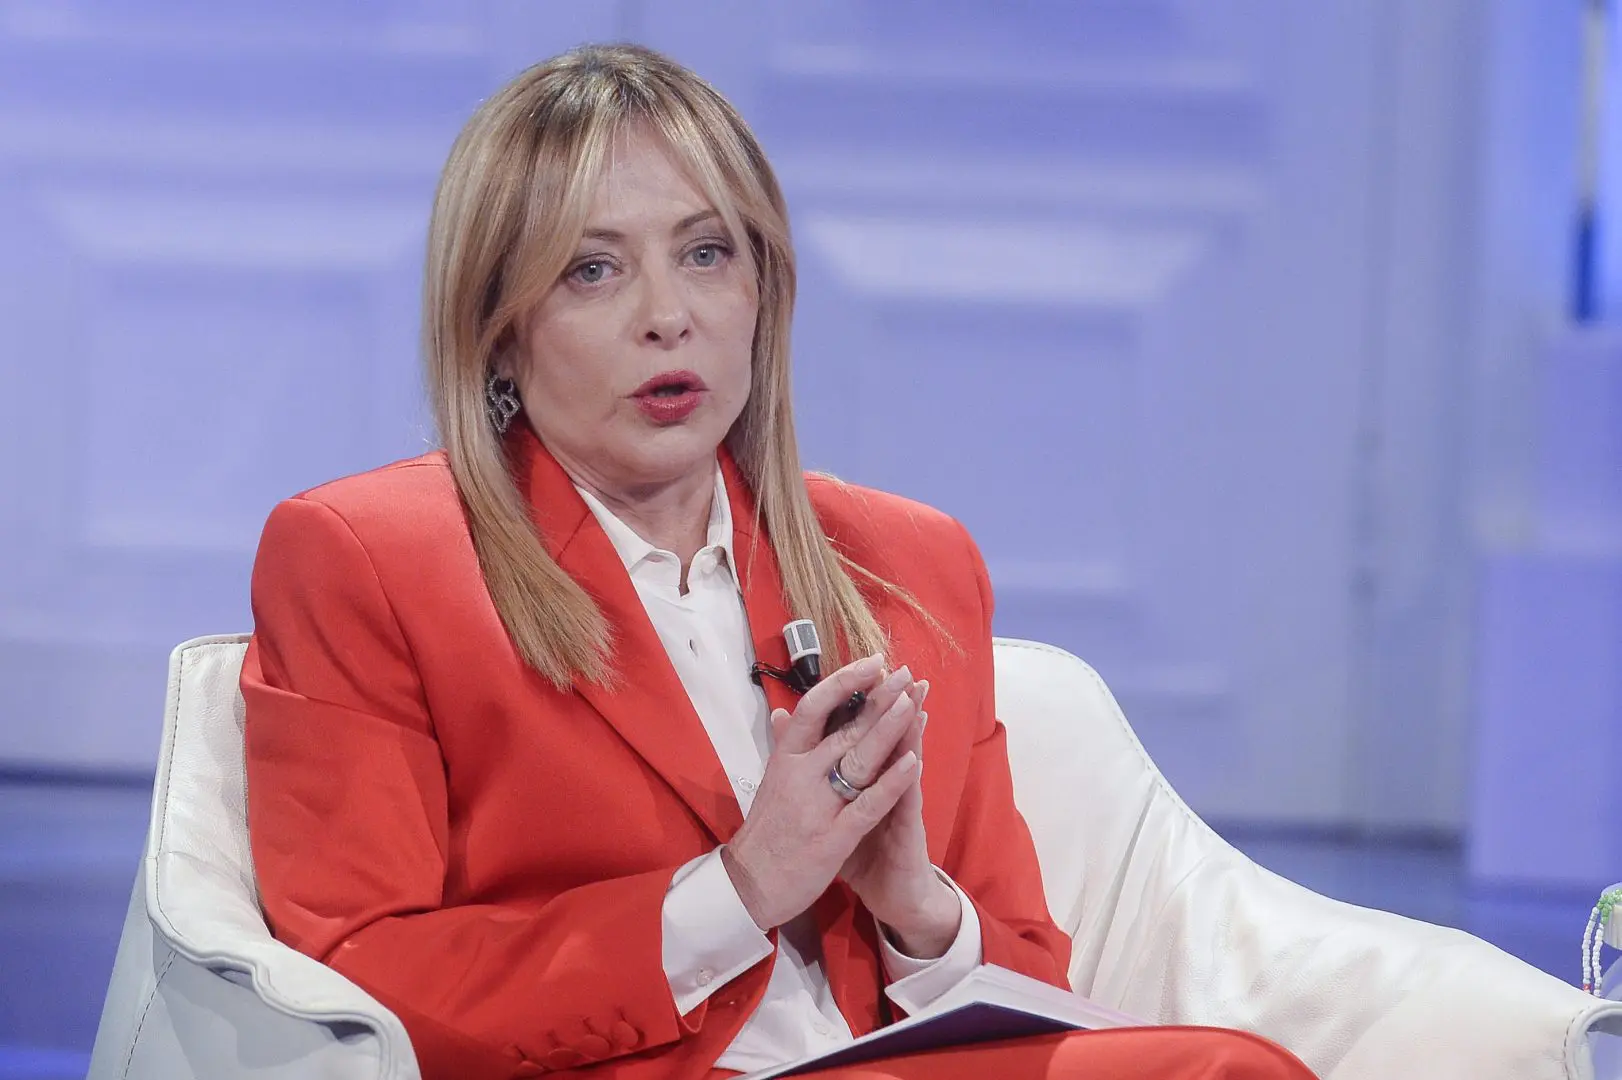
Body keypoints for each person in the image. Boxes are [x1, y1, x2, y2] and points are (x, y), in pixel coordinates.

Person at [241, 43, 1318, 1080]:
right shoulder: (372, 562)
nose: (668, 317)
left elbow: (1028, 982)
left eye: (706, 254)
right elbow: (359, 976)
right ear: (498, 329)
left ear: (765, 293)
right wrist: (739, 891)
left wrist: (915, 909)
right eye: (592, 271)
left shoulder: (909, 565)